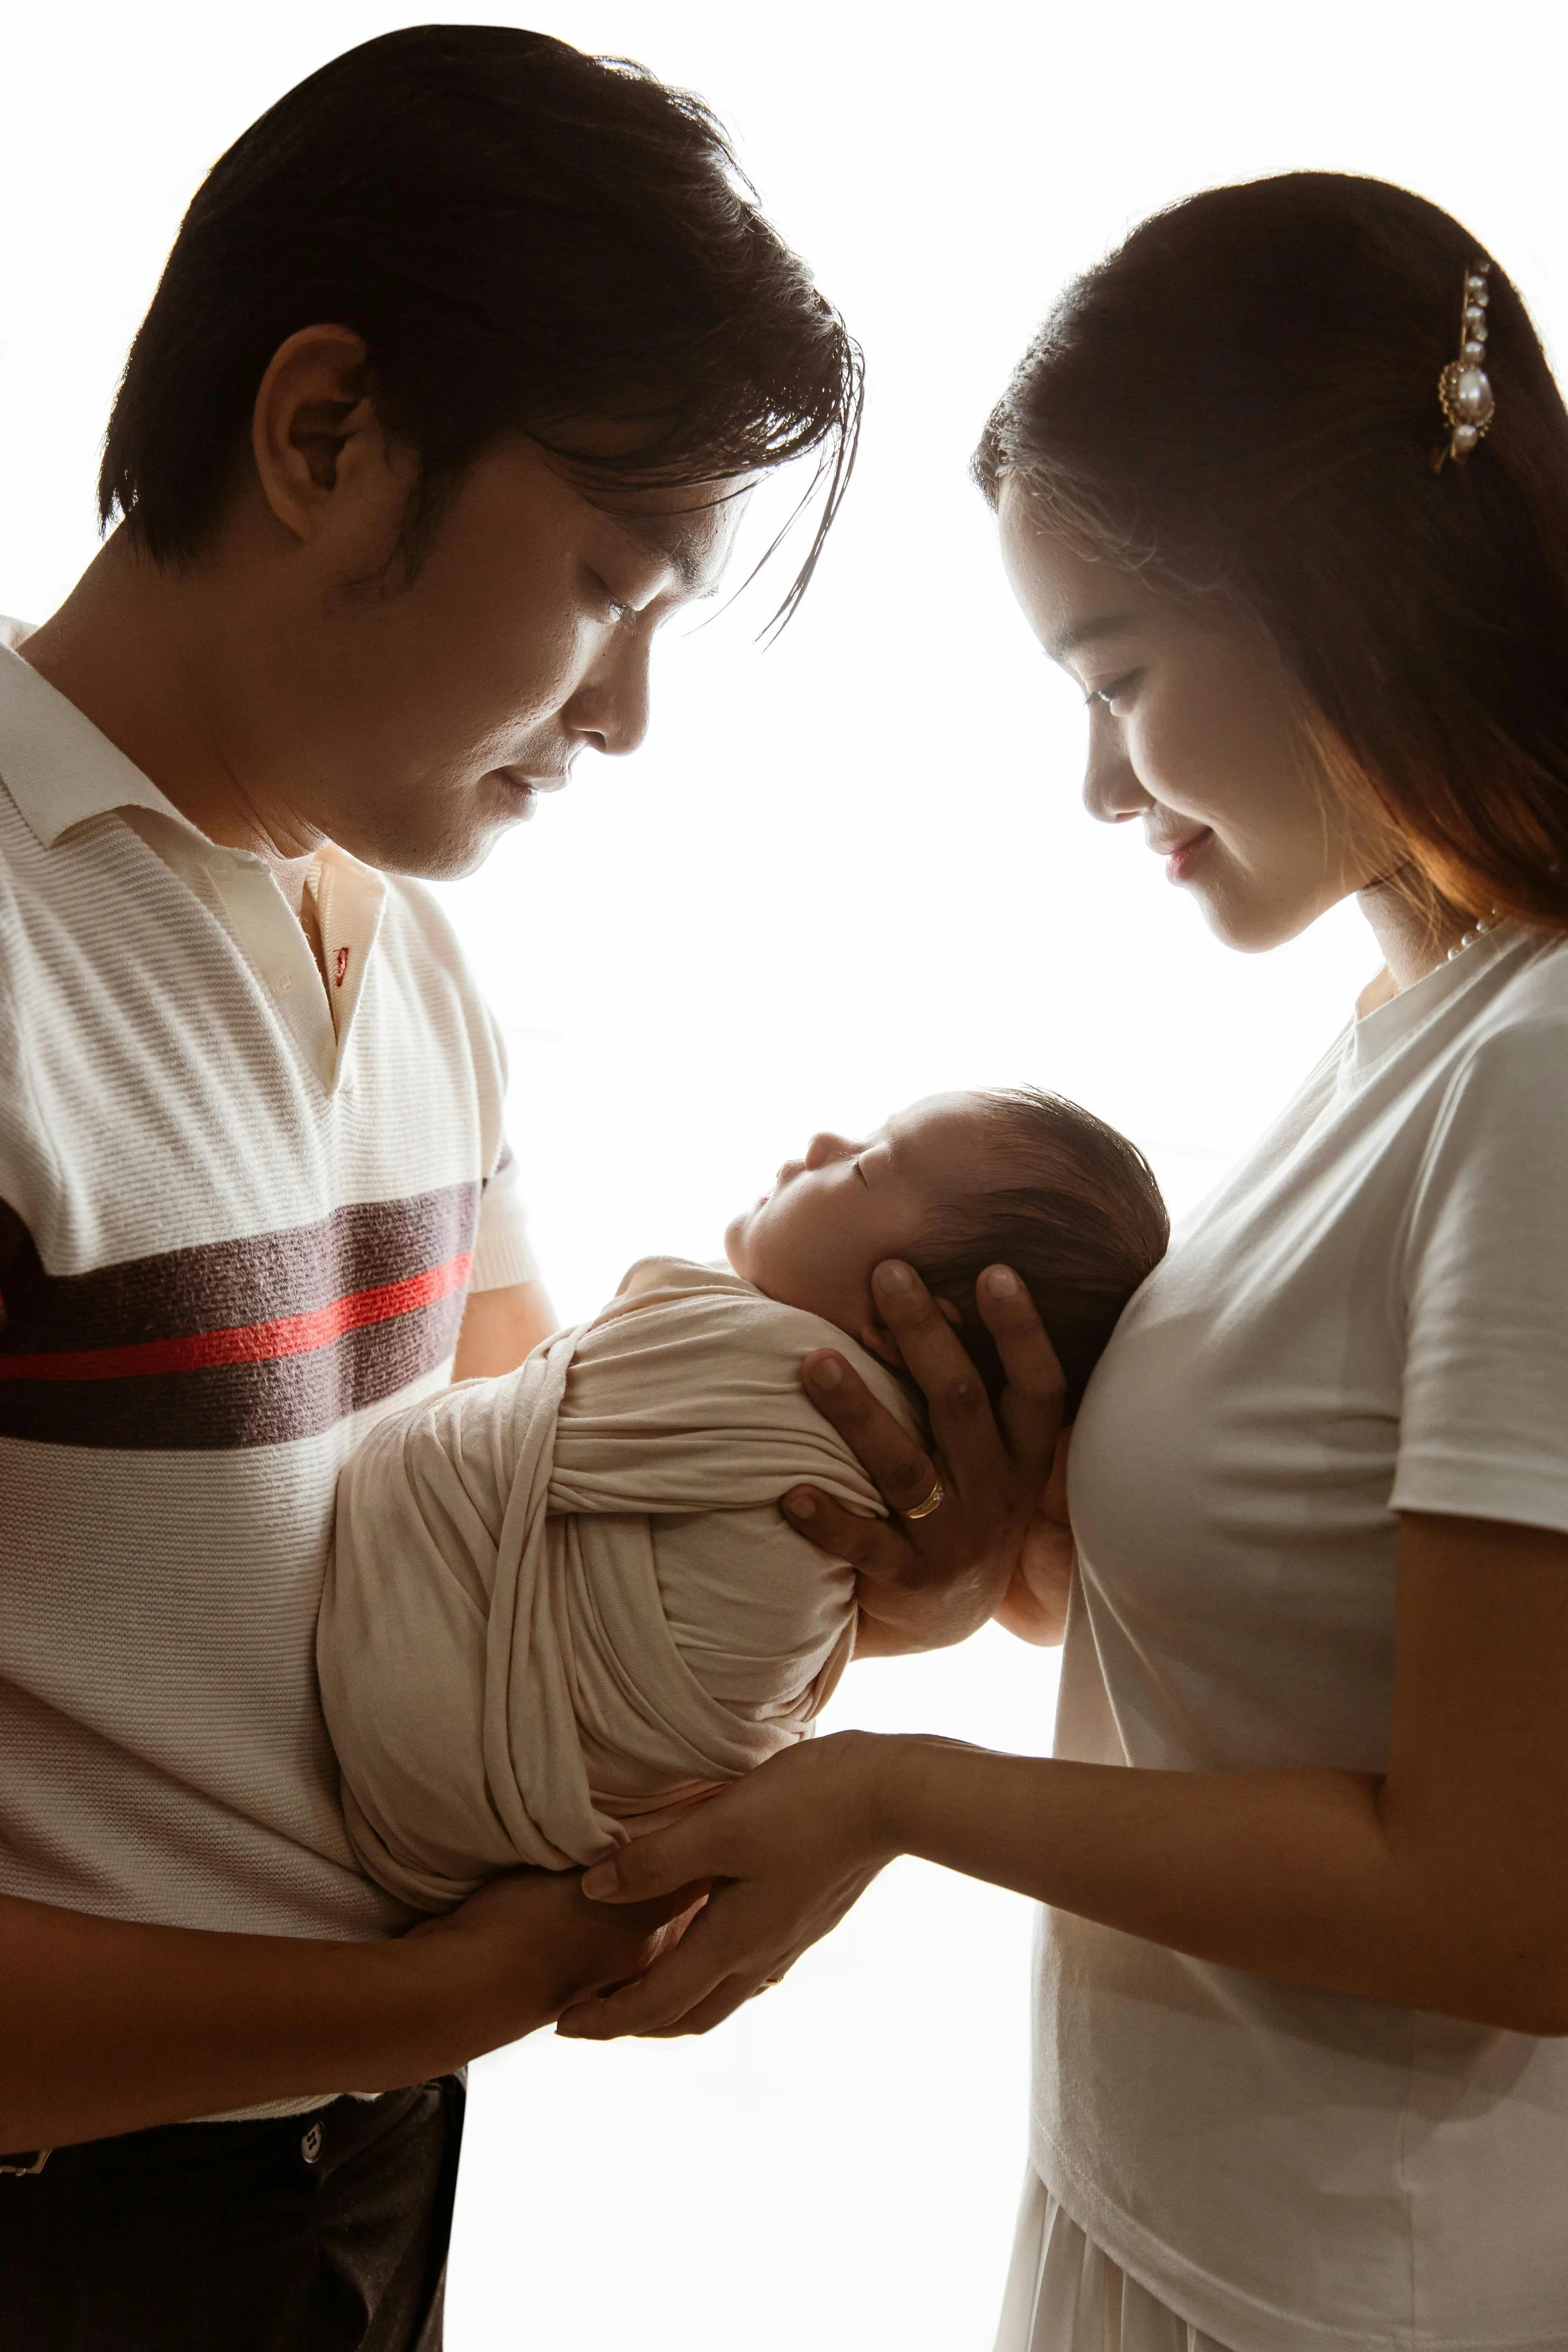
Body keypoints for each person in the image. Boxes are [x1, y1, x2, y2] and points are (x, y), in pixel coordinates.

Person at [559, 174, 1568, 2351]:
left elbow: (1510, 1898)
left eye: (1115, 677)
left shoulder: (1545, 1078)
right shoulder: (1421, 1023)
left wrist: (891, 1800)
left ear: (1337, 597)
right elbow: (1346, 1656)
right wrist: (1012, 1576)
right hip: (1184, 2219)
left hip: (1340, 2295)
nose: (1099, 785)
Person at [0, 24, 861, 2348]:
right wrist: (431, 2002)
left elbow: (503, 1581)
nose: (625, 718)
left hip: (358, 2194)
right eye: (610, 578)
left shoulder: (420, 963)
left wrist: (851, 1556)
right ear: (321, 433)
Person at [320, 1088, 1167, 1907]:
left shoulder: (782, 1372)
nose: (830, 1143)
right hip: (505, 1831)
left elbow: (518, 1447)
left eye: (868, 1166)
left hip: (395, 1718)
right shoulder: (880, 1496)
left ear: (901, 1315)